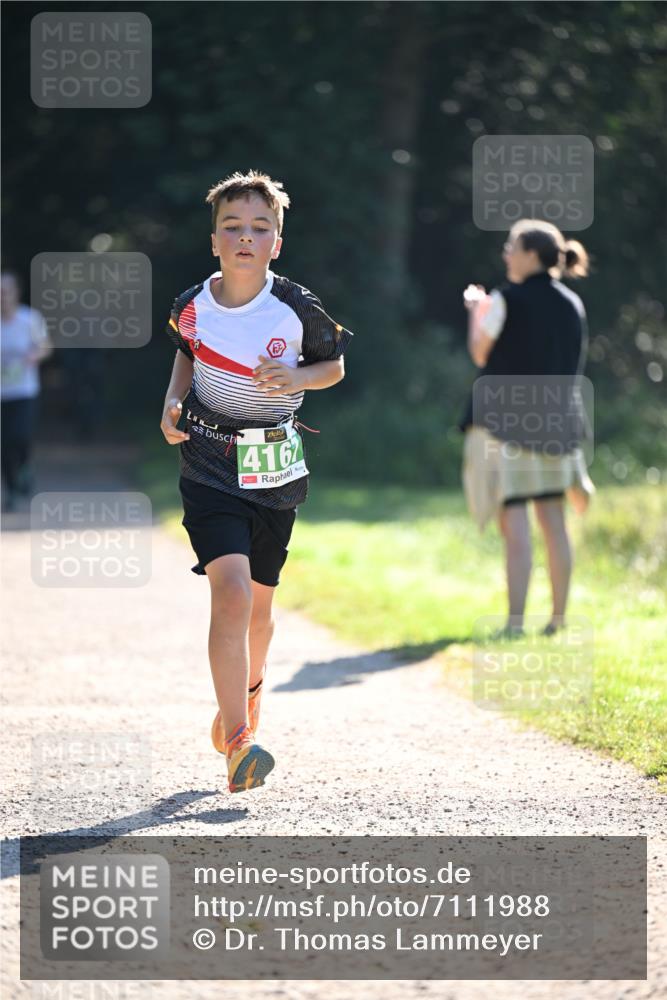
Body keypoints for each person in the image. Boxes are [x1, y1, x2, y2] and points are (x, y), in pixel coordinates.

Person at [160, 171, 353, 793]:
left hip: (273, 466)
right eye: (232, 227)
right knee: (233, 593)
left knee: (261, 610)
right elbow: (187, 356)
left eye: (260, 228)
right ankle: (240, 743)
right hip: (209, 464)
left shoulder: (298, 307)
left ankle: (245, 696)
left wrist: (298, 379)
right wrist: (171, 403)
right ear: (214, 239)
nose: (246, 237)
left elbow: (334, 368)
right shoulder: (191, 305)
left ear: (277, 242)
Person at [460, 219, 595, 638]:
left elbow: (481, 353)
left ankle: (515, 623)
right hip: (557, 425)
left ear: (530, 255)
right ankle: (557, 619)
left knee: (515, 521)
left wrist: (475, 312)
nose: (505, 254)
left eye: (511, 246)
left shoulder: (505, 298)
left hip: (508, 426)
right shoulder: (573, 302)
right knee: (554, 522)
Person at [1, 269, 52, 511]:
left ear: (15, 293)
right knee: (4, 444)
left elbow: (45, 346)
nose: (3, 297)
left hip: (24, 391)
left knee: (20, 438)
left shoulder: (29, 319)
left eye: (6, 291)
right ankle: (10, 489)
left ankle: (24, 467)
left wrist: (35, 355)